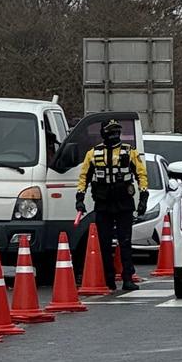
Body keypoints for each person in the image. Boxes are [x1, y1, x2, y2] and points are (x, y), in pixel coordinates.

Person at [75, 120, 149, 291]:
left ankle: (128, 278)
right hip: (103, 203)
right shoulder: (93, 154)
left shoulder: (129, 152)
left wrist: (143, 197)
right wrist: (79, 199)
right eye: (110, 131)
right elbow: (83, 177)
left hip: (124, 202)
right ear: (103, 133)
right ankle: (108, 279)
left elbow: (141, 174)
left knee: (125, 241)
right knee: (104, 243)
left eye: (117, 131)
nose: (114, 134)